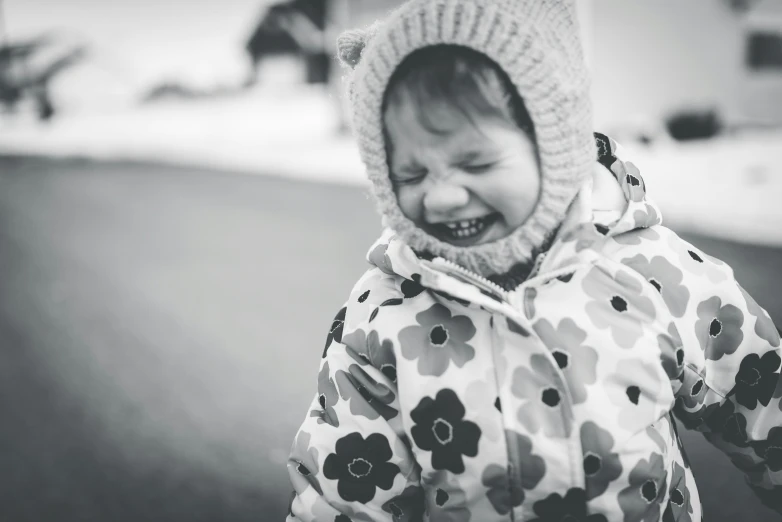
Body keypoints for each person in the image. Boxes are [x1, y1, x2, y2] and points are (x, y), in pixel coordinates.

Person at [286, 1, 782, 520]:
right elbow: (341, 490)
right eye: (410, 175)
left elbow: (762, 398)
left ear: (556, 144)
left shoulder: (649, 270)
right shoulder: (385, 310)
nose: (442, 197)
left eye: (475, 162)